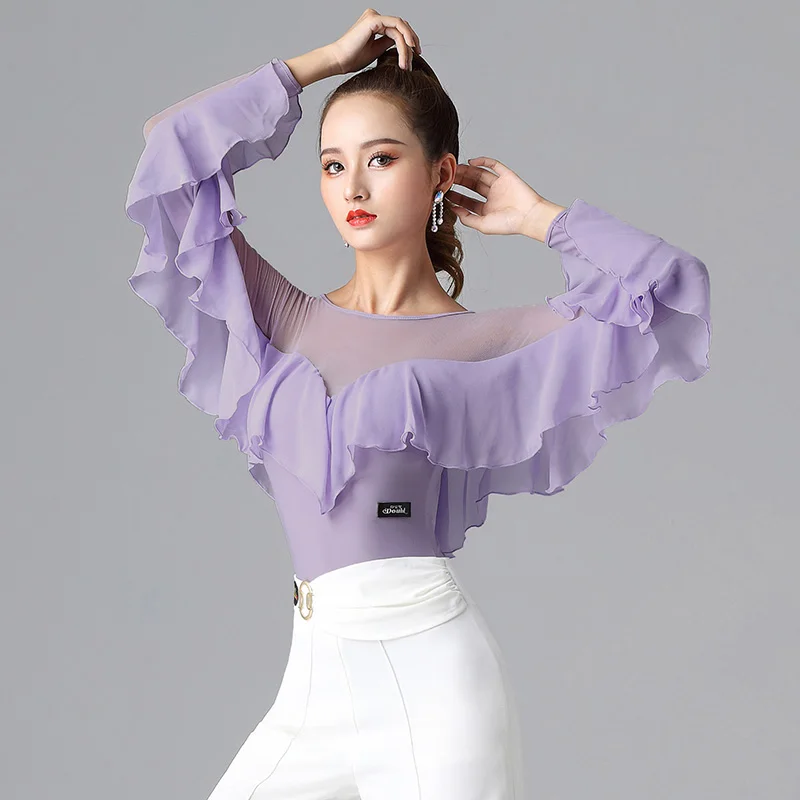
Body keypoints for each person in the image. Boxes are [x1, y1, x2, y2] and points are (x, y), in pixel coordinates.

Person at [124, 9, 712, 800]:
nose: (354, 187)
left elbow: (671, 289)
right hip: (311, 686)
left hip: (433, 682)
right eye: (333, 164)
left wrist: (540, 220)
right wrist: (320, 63)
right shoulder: (284, 318)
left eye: (382, 158)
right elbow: (169, 149)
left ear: (440, 174)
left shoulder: (490, 342)